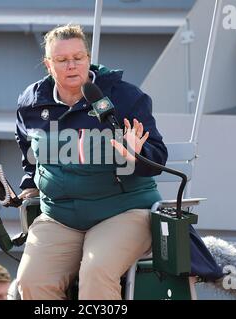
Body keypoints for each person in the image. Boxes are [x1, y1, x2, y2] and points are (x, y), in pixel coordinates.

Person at [14, 24, 168, 300]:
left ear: (88, 58)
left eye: (78, 58)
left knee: (95, 274)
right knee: (31, 283)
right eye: (62, 60)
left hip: (123, 212)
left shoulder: (124, 97)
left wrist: (135, 156)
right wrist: (30, 183)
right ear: (48, 64)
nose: (72, 66)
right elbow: (27, 148)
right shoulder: (32, 102)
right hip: (59, 216)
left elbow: (157, 158)